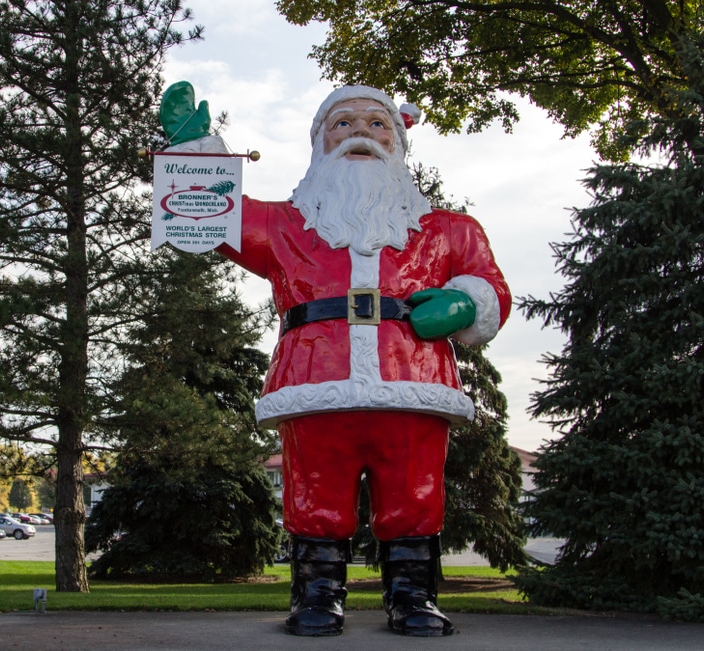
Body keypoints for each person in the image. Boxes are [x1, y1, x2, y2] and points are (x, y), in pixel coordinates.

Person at [161, 84, 511, 637]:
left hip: (413, 384)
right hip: (315, 382)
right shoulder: (283, 226)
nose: (360, 136)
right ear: (319, 143)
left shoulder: (447, 230)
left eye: (377, 125)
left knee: (415, 491)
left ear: (397, 143)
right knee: (314, 491)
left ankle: (413, 596)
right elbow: (214, 218)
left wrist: (465, 302)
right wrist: (192, 150)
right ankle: (317, 595)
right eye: (342, 124)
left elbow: (490, 287)